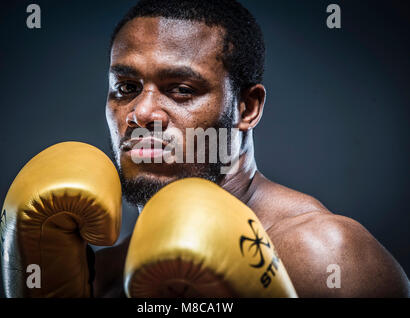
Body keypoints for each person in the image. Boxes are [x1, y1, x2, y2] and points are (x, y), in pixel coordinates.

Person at [92, 0, 409, 297]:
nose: (142, 113)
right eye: (126, 88)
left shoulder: (322, 253)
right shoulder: (103, 275)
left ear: (247, 108)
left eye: (181, 90)